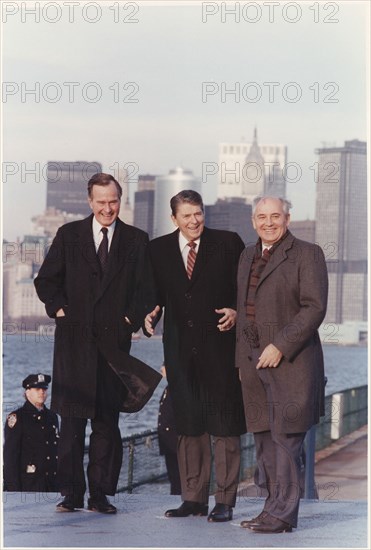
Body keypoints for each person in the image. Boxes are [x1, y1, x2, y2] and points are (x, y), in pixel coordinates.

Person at [34, 172, 161, 514]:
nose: (108, 208)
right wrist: (60, 310)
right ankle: (72, 495)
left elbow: (147, 290)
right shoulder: (69, 235)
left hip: (113, 348)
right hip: (73, 347)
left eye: (114, 201)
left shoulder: (137, 240)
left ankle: (100, 495)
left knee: (107, 424)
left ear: (121, 201)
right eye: (101, 202)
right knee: (72, 425)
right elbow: (45, 280)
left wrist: (127, 321)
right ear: (89, 202)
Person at [145, 190, 246, 523]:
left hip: (220, 349)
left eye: (199, 213)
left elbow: (246, 290)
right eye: (187, 215)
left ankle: (226, 499)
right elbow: (152, 294)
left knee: (225, 426)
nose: (194, 221)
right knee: (189, 426)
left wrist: (236, 311)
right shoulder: (157, 249)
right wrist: (149, 313)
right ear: (173, 219)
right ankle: (193, 499)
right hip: (178, 353)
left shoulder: (229, 243)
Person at [235, 196, 328, 533]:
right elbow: (245, 308)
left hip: (291, 364)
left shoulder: (308, 253)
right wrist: (241, 364)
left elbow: (314, 308)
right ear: (253, 220)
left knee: (286, 442)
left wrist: (280, 345)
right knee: (263, 441)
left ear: (288, 218)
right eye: (262, 217)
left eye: (276, 216)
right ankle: (270, 508)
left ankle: (284, 515)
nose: (269, 223)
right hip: (252, 366)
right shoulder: (247, 254)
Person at [3, 373, 59, 492]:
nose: (41, 392)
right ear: (27, 392)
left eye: (44, 389)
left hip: (52, 484)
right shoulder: (18, 417)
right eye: (37, 389)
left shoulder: (52, 416)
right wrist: (13, 490)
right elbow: (10, 457)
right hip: (29, 485)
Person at [157, 366, 181, 495]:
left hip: (173, 441)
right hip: (167, 441)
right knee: (173, 477)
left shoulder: (174, 389)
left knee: (177, 477)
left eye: (164, 366)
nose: (161, 369)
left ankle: (178, 500)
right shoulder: (169, 388)